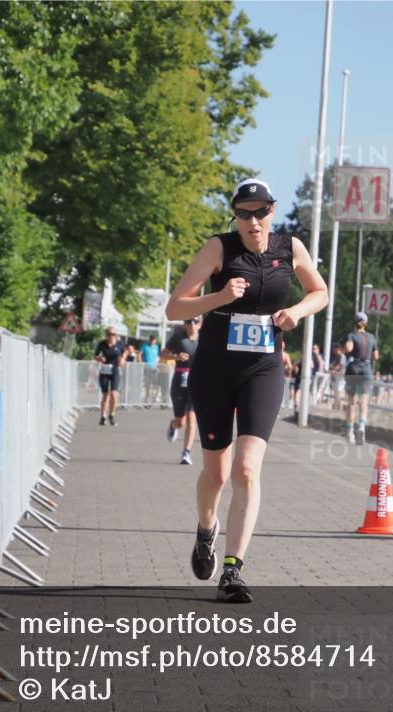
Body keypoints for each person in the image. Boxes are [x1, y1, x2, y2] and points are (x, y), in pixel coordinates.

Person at [165, 178, 328, 602]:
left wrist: (295, 311)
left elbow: (320, 292)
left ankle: (233, 571)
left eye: (261, 212)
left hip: (263, 369)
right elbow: (175, 306)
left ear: (273, 212)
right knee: (216, 473)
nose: (254, 221)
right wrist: (218, 297)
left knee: (247, 469)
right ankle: (206, 530)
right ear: (235, 215)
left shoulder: (290, 248)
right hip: (215, 369)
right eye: (244, 213)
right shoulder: (218, 249)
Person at [162, 318, 202, 465]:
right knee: (181, 422)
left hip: (197, 381)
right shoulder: (178, 337)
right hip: (180, 379)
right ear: (185, 324)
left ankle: (186, 453)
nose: (192, 324)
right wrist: (175, 356)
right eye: (189, 322)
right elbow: (163, 354)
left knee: (192, 418)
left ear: (200, 324)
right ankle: (173, 425)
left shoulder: (204, 338)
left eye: (195, 322)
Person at [344, 312, 378, 445]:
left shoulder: (352, 335)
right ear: (366, 324)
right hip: (366, 369)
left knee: (351, 403)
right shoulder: (371, 337)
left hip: (353, 368)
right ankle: (362, 427)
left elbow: (348, 348)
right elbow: (376, 356)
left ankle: (350, 432)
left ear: (355, 323)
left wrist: (345, 348)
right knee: (364, 402)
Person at [94, 327, 127, 426]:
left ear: (116, 335)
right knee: (105, 395)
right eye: (109, 334)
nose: (111, 336)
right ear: (106, 335)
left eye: (113, 334)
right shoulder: (102, 344)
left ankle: (112, 415)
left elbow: (124, 352)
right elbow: (95, 355)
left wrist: (123, 359)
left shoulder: (119, 344)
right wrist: (100, 358)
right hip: (104, 371)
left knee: (113, 393)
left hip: (115, 370)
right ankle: (103, 417)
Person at [141, 334, 161, 404]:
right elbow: (140, 354)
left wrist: (158, 365)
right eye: (152, 340)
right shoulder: (144, 346)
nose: (153, 341)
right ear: (149, 340)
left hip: (154, 368)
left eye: (154, 340)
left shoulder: (156, 347)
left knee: (156, 384)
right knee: (148, 384)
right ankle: (147, 398)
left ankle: (154, 397)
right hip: (146, 367)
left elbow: (157, 357)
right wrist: (140, 364)